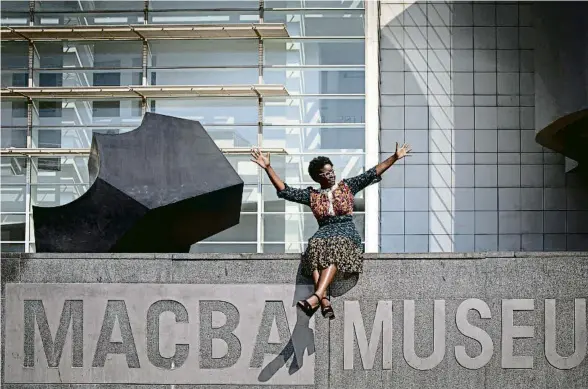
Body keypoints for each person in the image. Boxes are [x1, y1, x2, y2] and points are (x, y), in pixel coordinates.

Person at [250, 143, 411, 319]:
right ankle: (324, 301)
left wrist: (395, 157)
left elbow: (372, 172)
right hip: (324, 230)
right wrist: (268, 167)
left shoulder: (347, 186)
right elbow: (285, 190)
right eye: (327, 172)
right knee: (314, 244)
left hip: (346, 231)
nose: (332, 174)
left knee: (335, 245)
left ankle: (318, 297)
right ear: (318, 177)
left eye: (332, 170)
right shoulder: (312, 195)